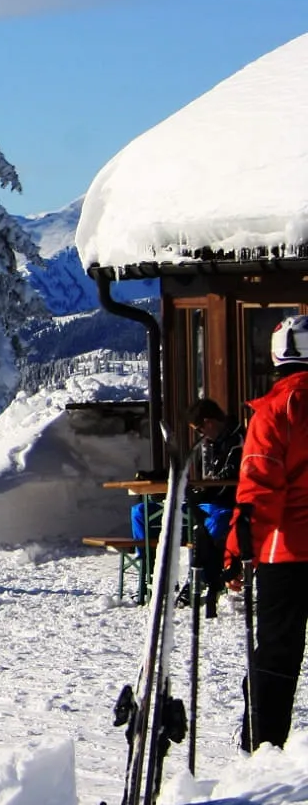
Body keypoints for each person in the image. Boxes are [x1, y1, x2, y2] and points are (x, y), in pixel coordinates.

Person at [228, 315, 308, 750]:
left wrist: (238, 554)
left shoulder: (275, 411)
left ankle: (264, 750)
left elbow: (259, 493)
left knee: (277, 654)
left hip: (287, 552)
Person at [191, 397, 244, 616]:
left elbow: (230, 476)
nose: (201, 435)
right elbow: (203, 475)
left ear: (209, 422)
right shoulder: (208, 445)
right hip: (210, 499)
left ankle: (206, 581)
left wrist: (206, 488)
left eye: (199, 429)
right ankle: (155, 574)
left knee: (210, 524)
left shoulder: (236, 440)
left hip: (229, 501)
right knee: (141, 513)